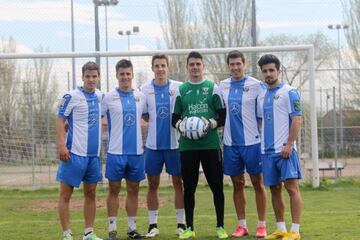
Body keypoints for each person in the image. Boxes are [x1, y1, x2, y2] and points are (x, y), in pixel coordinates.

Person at [172, 51, 228, 239]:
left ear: (203, 66)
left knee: (216, 186)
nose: (195, 67)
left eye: (198, 64)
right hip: (188, 147)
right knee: (189, 187)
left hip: (211, 146)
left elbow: (222, 115)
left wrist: (209, 124)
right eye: (191, 64)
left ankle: (220, 226)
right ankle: (189, 228)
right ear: (187, 67)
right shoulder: (181, 90)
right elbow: (174, 118)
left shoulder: (213, 88)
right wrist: (183, 126)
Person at [218, 50, 267, 238]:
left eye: (238, 63)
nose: (235, 67)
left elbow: (263, 115)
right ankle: (242, 225)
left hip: (252, 142)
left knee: (257, 182)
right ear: (228, 66)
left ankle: (261, 225)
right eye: (232, 64)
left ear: (244, 64)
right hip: (230, 143)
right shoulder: (222, 86)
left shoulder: (256, 85)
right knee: (237, 184)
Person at [257, 54, 302, 240]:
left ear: (278, 71)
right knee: (274, 189)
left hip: (285, 150)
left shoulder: (290, 92)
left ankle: (295, 231)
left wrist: (289, 144)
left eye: (271, 70)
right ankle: (281, 228)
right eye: (265, 71)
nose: (268, 74)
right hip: (267, 152)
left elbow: (297, 119)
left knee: (291, 188)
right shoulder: (262, 94)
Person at [56, 61, 103, 240]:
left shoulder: (100, 96)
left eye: (94, 76)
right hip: (73, 154)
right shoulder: (71, 96)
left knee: (91, 194)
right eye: (87, 77)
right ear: (82, 77)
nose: (91, 80)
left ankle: (88, 233)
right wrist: (62, 145)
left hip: (93, 156)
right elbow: (60, 120)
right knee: (66, 194)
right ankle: (67, 234)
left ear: (98, 77)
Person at [140, 54, 185, 238]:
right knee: (153, 184)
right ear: (152, 68)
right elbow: (145, 115)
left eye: (163, 66)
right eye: (157, 66)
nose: (160, 69)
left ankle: (181, 224)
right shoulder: (144, 89)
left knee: (178, 184)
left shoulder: (179, 88)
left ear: (168, 67)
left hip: (175, 145)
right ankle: (153, 225)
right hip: (153, 147)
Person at [102, 59, 147, 240]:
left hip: (136, 152)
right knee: (114, 189)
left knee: (134, 189)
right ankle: (112, 229)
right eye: (122, 74)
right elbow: (95, 116)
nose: (125, 77)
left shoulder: (141, 96)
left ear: (132, 74)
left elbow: (148, 117)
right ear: (117, 75)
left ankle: (131, 228)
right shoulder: (108, 97)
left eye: (128, 74)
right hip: (115, 152)